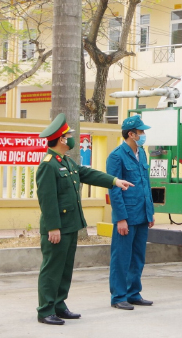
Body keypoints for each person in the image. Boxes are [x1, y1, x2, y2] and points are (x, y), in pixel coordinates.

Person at [35, 113, 132, 325]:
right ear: (61, 139)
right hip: (57, 227)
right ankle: (45, 310)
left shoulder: (67, 162)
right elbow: (47, 200)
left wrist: (115, 181)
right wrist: (53, 227)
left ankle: (59, 305)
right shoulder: (48, 165)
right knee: (52, 269)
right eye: (69, 135)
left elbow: (88, 174)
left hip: (71, 225)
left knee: (65, 267)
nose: (72, 138)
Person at [107, 115, 156, 310]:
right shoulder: (116, 156)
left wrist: (150, 212)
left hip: (142, 214)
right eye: (141, 132)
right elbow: (114, 189)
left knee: (137, 256)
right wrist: (121, 219)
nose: (143, 135)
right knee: (121, 257)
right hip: (127, 216)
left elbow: (146, 184)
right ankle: (119, 296)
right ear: (131, 134)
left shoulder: (142, 153)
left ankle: (133, 293)